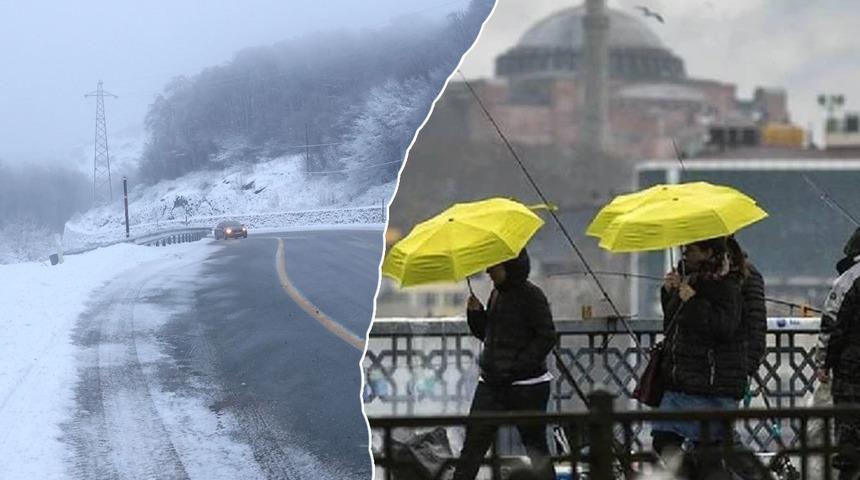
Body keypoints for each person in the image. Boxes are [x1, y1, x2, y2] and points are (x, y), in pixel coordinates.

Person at [453, 248, 557, 480]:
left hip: (527, 384)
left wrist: (517, 366)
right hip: (492, 382)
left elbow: (547, 337)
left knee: (535, 446)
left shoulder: (532, 296)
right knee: (473, 445)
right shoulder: (496, 294)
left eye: (494, 266)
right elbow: (490, 336)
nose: (489, 271)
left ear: (509, 266)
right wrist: (476, 315)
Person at [652, 237, 745, 479]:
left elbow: (723, 328)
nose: (685, 253)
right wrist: (669, 292)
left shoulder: (727, 287)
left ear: (707, 252)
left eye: (691, 250)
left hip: (710, 384)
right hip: (681, 381)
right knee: (663, 439)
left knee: (708, 454)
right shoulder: (688, 280)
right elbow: (672, 323)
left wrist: (693, 302)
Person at [816, 226, 860, 480]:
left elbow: (833, 324)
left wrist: (824, 363)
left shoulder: (850, 279)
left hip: (852, 374)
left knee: (849, 444)